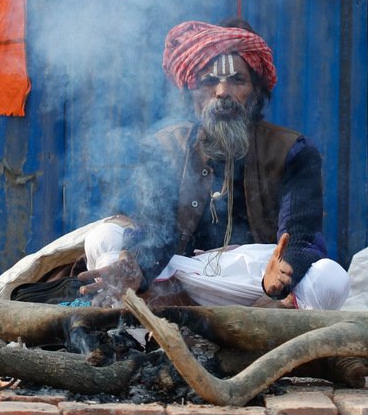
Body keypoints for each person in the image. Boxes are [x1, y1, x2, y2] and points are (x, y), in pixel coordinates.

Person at [78, 19, 349, 310]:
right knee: (103, 239)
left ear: (255, 93)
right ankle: (190, 315)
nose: (222, 92)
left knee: (330, 277)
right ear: (192, 91)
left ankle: (255, 317)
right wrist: (135, 266)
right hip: (183, 278)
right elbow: (156, 229)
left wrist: (284, 275)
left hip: (256, 282)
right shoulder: (164, 148)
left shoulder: (293, 151)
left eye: (237, 80)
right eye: (210, 81)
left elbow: (303, 237)